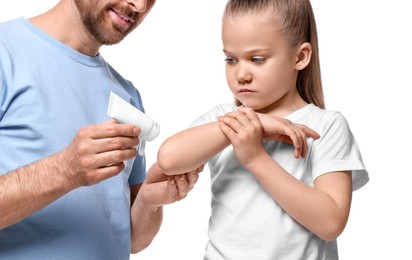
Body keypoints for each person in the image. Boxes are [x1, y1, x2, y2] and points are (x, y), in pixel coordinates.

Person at [157, 0, 369, 259]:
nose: (241, 74)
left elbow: (331, 223)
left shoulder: (326, 125)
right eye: (231, 59)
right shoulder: (224, 120)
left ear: (300, 57)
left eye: (257, 59)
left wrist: (256, 157)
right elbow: (168, 159)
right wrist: (250, 125)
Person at [0, 0, 202, 259]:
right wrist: (64, 170)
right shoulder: (5, 52)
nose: (140, 5)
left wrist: (150, 201)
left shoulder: (126, 94)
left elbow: (133, 240)